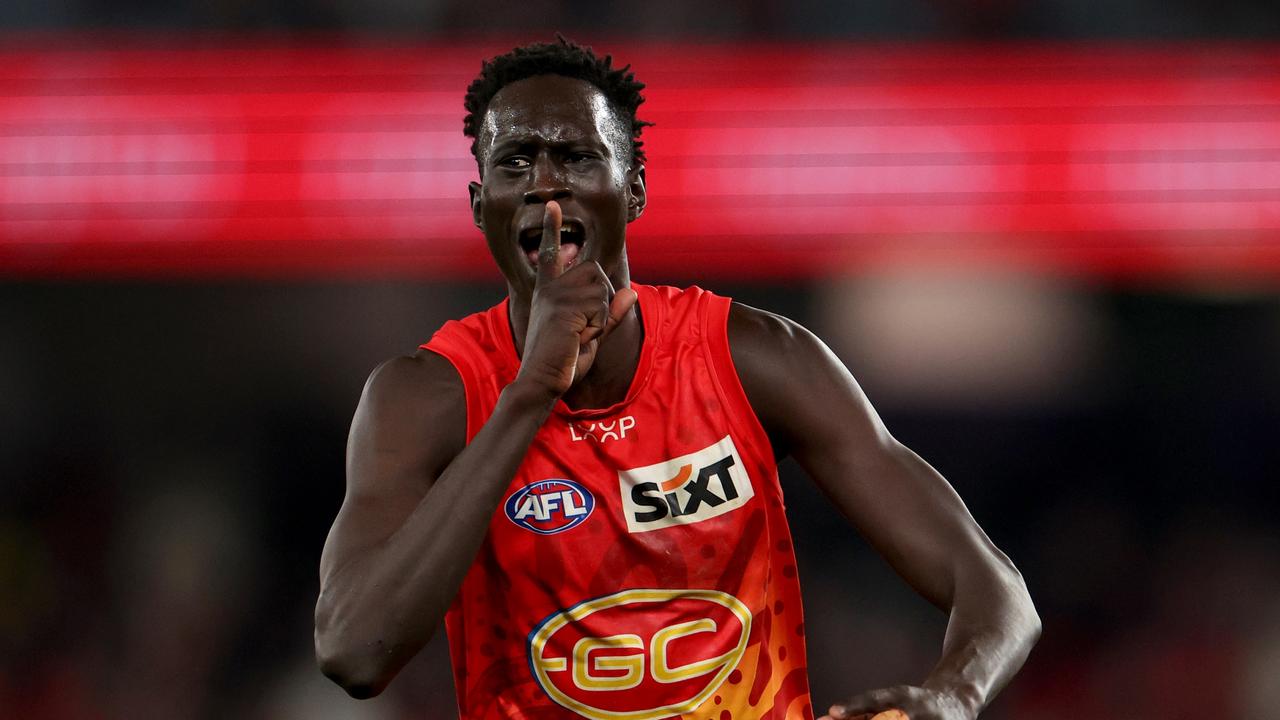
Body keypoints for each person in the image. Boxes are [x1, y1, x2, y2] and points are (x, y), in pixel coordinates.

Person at [314, 37, 1040, 720]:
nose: (545, 187)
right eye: (515, 163)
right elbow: (353, 651)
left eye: (574, 158)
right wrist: (529, 394)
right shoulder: (427, 395)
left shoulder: (754, 359)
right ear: (481, 209)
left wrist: (955, 696)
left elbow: (997, 592)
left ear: (633, 191)